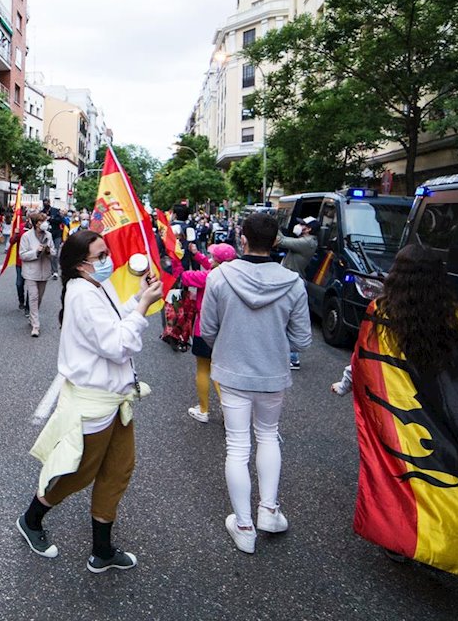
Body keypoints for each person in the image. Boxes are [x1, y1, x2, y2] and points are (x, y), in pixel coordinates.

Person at [332, 245, 458, 588]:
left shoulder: (382, 312)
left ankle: (402, 540)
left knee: (397, 473)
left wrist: (348, 385)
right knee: (447, 477)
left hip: (399, 416)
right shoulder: (455, 315)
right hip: (445, 416)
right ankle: (447, 543)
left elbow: (365, 362)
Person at [16, 229, 166, 573]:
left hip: (115, 399)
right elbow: (115, 345)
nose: (107, 260)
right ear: (81, 266)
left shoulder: (98, 286)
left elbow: (114, 320)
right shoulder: (82, 294)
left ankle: (102, 549)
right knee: (79, 473)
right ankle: (31, 519)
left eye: (106, 252)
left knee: (118, 469)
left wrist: (138, 297)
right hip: (94, 403)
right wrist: (143, 306)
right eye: (100, 256)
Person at [199, 212, 311, 554]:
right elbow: (303, 340)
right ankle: (269, 510)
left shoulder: (219, 277)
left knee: (237, 446)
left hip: (232, 372)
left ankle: (244, 525)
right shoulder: (293, 283)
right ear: (276, 241)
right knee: (267, 435)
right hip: (272, 374)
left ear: (242, 239)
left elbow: (207, 331)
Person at [179, 243, 237, 423]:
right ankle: (229, 412)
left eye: (212, 257)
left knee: (203, 369)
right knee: (220, 371)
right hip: (226, 329)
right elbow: (209, 264)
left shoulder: (209, 277)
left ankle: (203, 410)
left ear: (218, 261)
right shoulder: (234, 275)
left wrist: (176, 261)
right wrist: (197, 255)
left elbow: (186, 276)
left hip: (204, 329)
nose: (209, 259)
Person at [277, 220, 319, 370]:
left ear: (308, 229)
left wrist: (274, 226)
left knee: (289, 318)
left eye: (303, 225)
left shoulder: (307, 242)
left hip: (293, 281)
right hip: (293, 280)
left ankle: (293, 358)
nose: (299, 226)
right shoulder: (305, 241)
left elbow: (280, 241)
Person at [18, 212, 55, 337]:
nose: (44, 223)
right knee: (33, 297)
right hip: (31, 271)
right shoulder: (26, 236)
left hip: (44, 271)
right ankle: (36, 325)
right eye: (41, 221)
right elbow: (22, 254)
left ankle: (33, 317)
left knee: (39, 298)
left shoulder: (48, 235)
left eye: (45, 220)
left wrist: (49, 251)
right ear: (36, 223)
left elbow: (54, 252)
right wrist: (36, 252)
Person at [43, 200, 64, 279]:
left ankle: (55, 271)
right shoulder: (42, 212)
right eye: (44, 203)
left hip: (56, 234)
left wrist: (50, 219)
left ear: (49, 203)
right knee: (46, 253)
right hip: (46, 235)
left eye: (47, 203)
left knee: (54, 253)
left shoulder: (55, 210)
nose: (46, 204)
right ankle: (46, 270)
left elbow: (60, 220)